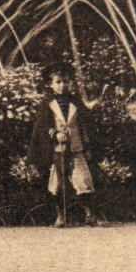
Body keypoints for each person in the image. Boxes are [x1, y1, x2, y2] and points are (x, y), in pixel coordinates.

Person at [27, 63, 99, 227]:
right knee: (57, 183)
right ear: (51, 84)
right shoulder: (48, 104)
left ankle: (89, 213)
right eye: (58, 82)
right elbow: (43, 126)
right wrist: (55, 134)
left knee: (83, 179)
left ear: (70, 83)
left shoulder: (76, 102)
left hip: (76, 148)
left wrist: (87, 147)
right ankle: (61, 215)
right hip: (57, 149)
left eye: (65, 81)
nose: (62, 85)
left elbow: (84, 125)